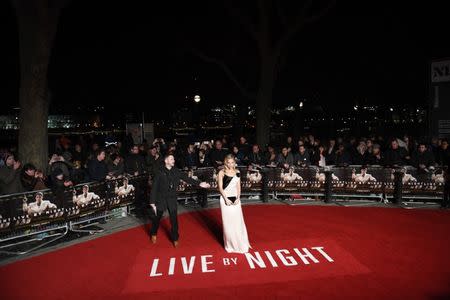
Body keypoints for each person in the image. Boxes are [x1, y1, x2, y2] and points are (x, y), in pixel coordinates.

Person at [150, 154, 210, 247]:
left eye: (173, 158)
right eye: (171, 159)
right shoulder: (159, 171)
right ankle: (153, 233)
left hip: (172, 198)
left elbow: (187, 179)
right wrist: (152, 202)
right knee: (157, 218)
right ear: (166, 161)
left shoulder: (176, 171)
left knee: (174, 219)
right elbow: (154, 187)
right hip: (161, 198)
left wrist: (200, 183)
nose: (173, 160)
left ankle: (175, 238)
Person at [217, 154, 251, 253]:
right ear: (225, 162)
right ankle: (230, 245)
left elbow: (238, 187)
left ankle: (240, 243)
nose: (230, 164)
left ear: (234, 162)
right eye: (228, 162)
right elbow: (220, 187)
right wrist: (226, 199)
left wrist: (238, 197)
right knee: (228, 223)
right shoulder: (221, 172)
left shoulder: (237, 172)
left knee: (237, 222)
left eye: (232, 162)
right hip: (225, 199)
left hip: (236, 199)